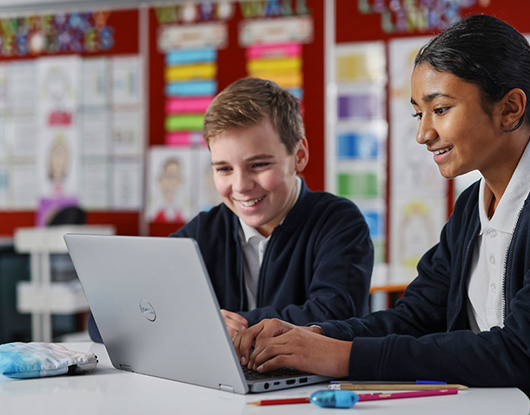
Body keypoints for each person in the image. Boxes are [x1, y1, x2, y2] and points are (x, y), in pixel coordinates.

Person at [232, 15, 530, 414]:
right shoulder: (473, 206)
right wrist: (305, 335)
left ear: (510, 108)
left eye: (441, 109)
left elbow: (522, 351)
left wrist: (341, 357)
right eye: (419, 113)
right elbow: (413, 317)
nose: (424, 133)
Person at [88, 77, 374, 343]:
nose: (241, 185)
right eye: (224, 169)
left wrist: (217, 326)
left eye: (259, 165)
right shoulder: (203, 232)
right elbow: (104, 321)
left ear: (298, 156)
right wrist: (203, 324)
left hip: (310, 392)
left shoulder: (339, 223)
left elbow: (333, 315)